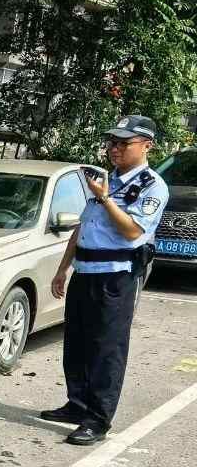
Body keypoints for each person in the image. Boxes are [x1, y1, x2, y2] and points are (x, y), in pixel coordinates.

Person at [42, 115, 169, 445]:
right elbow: (83, 227)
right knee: (77, 343)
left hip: (116, 277)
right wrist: (63, 268)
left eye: (124, 143)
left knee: (106, 348)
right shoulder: (106, 179)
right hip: (84, 273)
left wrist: (105, 198)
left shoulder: (152, 186)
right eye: (112, 142)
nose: (114, 148)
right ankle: (77, 403)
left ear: (146, 146)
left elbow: (133, 231)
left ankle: (98, 419)